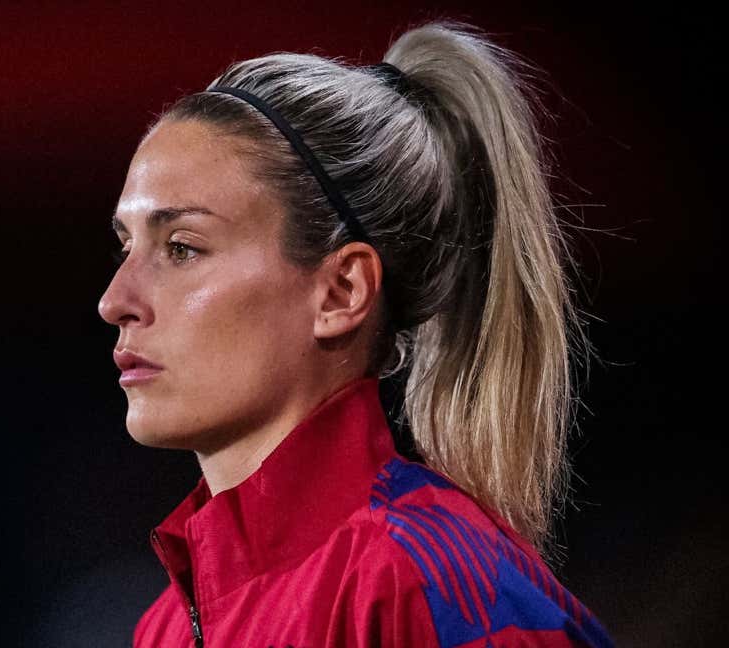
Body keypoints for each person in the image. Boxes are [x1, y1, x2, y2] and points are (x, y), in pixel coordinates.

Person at [97, 20, 614, 647]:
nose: (114, 302)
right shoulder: (166, 628)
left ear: (341, 292)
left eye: (182, 248)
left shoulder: (416, 584)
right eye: (127, 246)